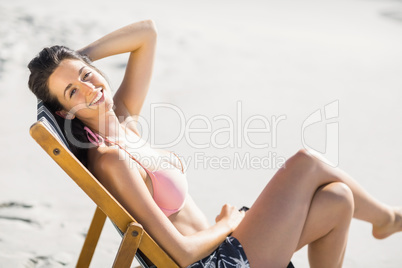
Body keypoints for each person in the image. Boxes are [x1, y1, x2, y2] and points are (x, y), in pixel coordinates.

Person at [27, 20, 402, 268]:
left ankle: (384, 218)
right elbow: (180, 252)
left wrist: (77, 60)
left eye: (89, 77)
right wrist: (227, 224)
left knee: (338, 199)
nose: (91, 89)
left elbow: (147, 34)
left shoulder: (122, 120)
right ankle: (386, 218)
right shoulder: (110, 159)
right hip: (212, 261)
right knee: (306, 161)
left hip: (227, 250)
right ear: (66, 112)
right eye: (73, 91)